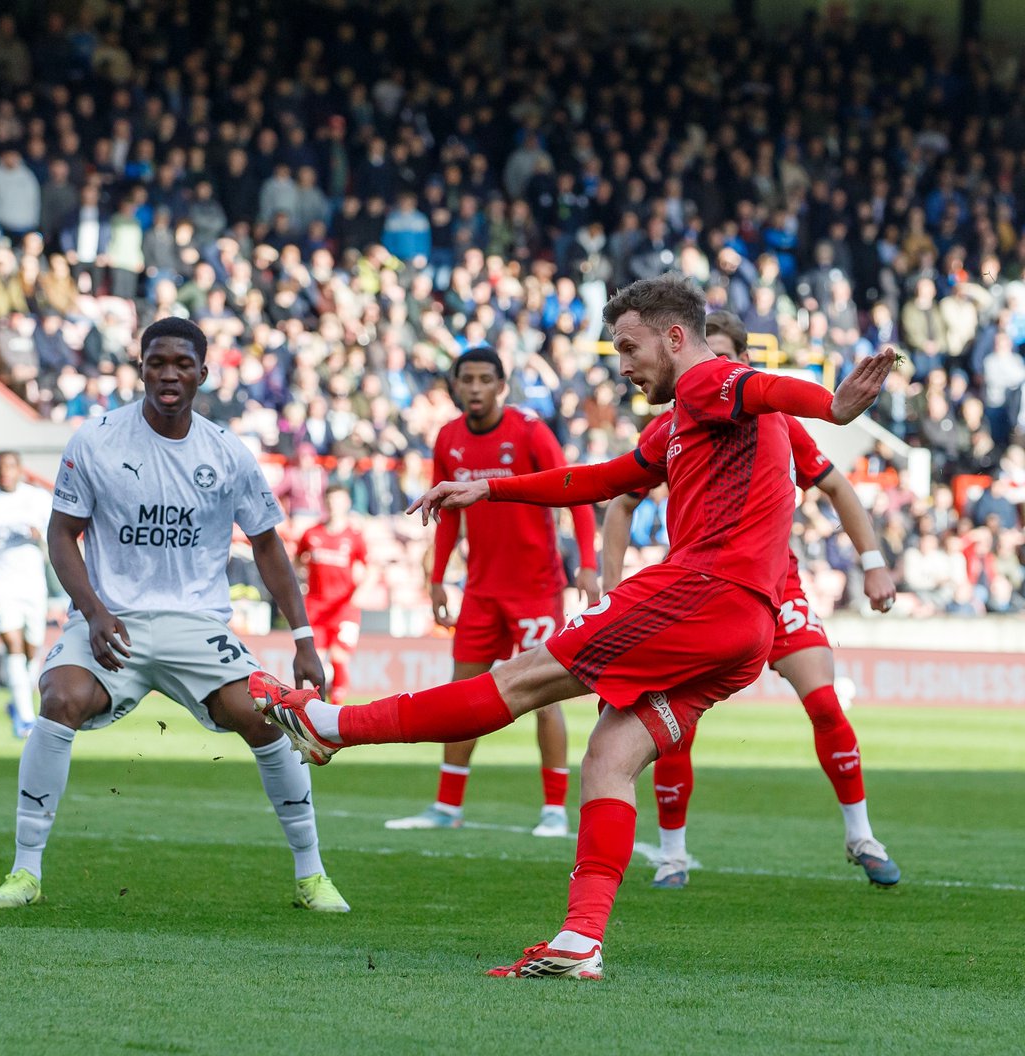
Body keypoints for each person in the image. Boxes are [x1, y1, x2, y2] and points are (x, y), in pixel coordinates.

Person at [252, 275, 895, 979]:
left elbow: (764, 386)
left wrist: (832, 406)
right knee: (610, 758)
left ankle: (333, 727)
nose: (622, 366)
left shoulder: (707, 378)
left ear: (674, 336)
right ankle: (581, 940)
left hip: (703, 591)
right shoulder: (678, 422)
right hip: (747, 630)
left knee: (520, 679)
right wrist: (490, 488)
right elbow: (599, 480)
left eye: (629, 347)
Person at [0, 317, 349, 915]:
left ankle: (312, 875)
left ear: (203, 372)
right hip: (113, 621)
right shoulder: (96, 440)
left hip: (197, 625)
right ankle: (25, 871)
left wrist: (304, 639)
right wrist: (93, 610)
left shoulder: (226, 451)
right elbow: (61, 534)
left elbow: (267, 545)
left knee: (265, 716)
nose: (169, 374)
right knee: (60, 698)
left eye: (182, 363)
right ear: (141, 369)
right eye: (157, 362)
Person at [600, 310, 900, 888]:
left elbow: (836, 486)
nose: (714, 369)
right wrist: (609, 590)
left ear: (743, 361)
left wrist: (873, 563)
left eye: (725, 357)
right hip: (699, 590)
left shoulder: (774, 417)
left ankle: (861, 835)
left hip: (776, 585)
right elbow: (621, 500)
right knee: (672, 723)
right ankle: (672, 854)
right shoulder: (676, 424)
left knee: (825, 703)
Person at [385, 347, 599, 839]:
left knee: (544, 698)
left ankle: (554, 809)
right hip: (480, 592)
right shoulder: (448, 438)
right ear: (456, 386)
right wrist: (437, 578)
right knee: (461, 696)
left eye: (486, 379)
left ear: (502, 386)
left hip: (536, 589)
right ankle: (447, 805)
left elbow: (577, 493)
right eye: (468, 379)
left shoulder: (530, 432)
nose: (476, 388)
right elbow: (444, 513)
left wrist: (587, 566)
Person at [0, 451, 52, 738]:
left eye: (10, 467)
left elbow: (57, 530)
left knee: (32, 648)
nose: (4, 472)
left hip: (32, 583)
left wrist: (39, 535)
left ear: (20, 470)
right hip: (0, 582)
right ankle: (27, 718)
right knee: (12, 642)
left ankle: (18, 703)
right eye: (0, 467)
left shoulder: (38, 498)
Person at [295, 485, 368, 702]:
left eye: (338, 500)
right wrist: (301, 577)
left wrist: (361, 591)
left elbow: (369, 567)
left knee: (339, 656)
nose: (333, 505)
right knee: (315, 660)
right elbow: (297, 560)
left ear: (347, 503)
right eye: (330, 500)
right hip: (316, 607)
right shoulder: (311, 533)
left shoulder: (354, 536)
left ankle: (337, 705)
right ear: (324, 503)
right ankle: (318, 704)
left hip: (344, 607)